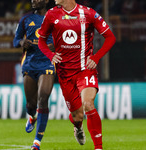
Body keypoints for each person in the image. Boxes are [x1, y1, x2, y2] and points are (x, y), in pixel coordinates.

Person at [38, 0, 116, 149]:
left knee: (88, 103)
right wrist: (50, 55)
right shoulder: (51, 14)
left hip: (85, 69)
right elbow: (41, 40)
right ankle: (78, 126)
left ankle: (98, 147)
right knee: (77, 116)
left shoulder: (88, 13)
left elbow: (110, 37)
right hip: (65, 73)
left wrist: (96, 57)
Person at [13, 0, 55, 150]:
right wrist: (21, 42)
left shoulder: (55, 18)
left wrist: (56, 46)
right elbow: (15, 40)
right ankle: (32, 116)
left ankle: (37, 142)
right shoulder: (26, 19)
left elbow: (65, 40)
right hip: (30, 63)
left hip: (47, 62)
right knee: (31, 104)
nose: (33, 1)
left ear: (45, 1)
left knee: (43, 98)